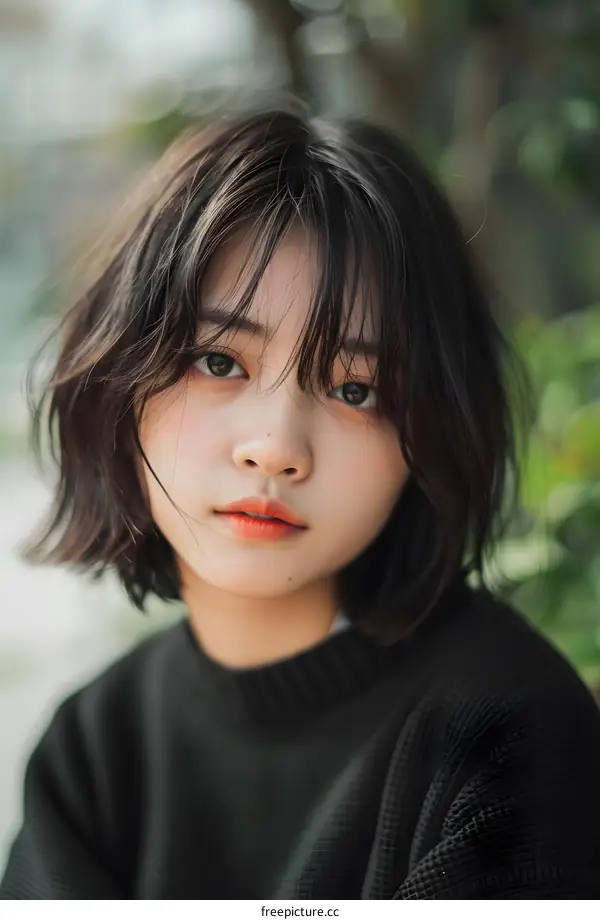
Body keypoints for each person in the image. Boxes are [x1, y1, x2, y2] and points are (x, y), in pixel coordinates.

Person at [2, 103, 600, 901]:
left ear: (427, 438)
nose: (277, 446)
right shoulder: (93, 750)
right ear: (117, 383)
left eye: (355, 388)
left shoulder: (506, 726)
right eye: (218, 361)